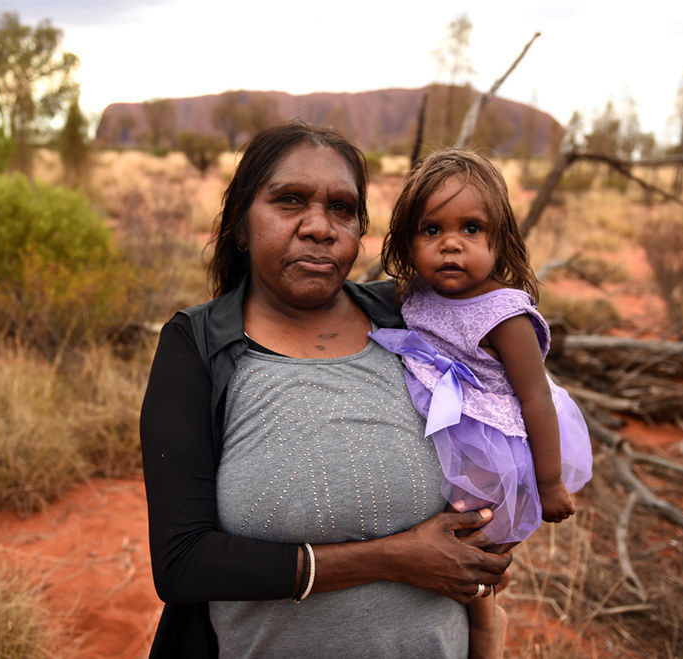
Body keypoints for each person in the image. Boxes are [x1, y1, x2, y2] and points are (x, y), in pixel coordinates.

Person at [140, 123, 512, 658]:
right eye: (289, 200)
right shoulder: (199, 346)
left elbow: (500, 434)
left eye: (342, 208)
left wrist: (486, 607)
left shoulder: (413, 321)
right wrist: (395, 558)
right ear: (242, 223)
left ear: (361, 229)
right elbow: (182, 563)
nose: (319, 226)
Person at [369, 148, 593, 646]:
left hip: (497, 446)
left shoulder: (505, 315)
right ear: (408, 239)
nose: (451, 245)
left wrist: (550, 481)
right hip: (447, 427)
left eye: (471, 229)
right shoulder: (416, 294)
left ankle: (486, 624)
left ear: (500, 239)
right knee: (442, 535)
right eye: (432, 231)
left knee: (477, 543)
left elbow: (535, 399)